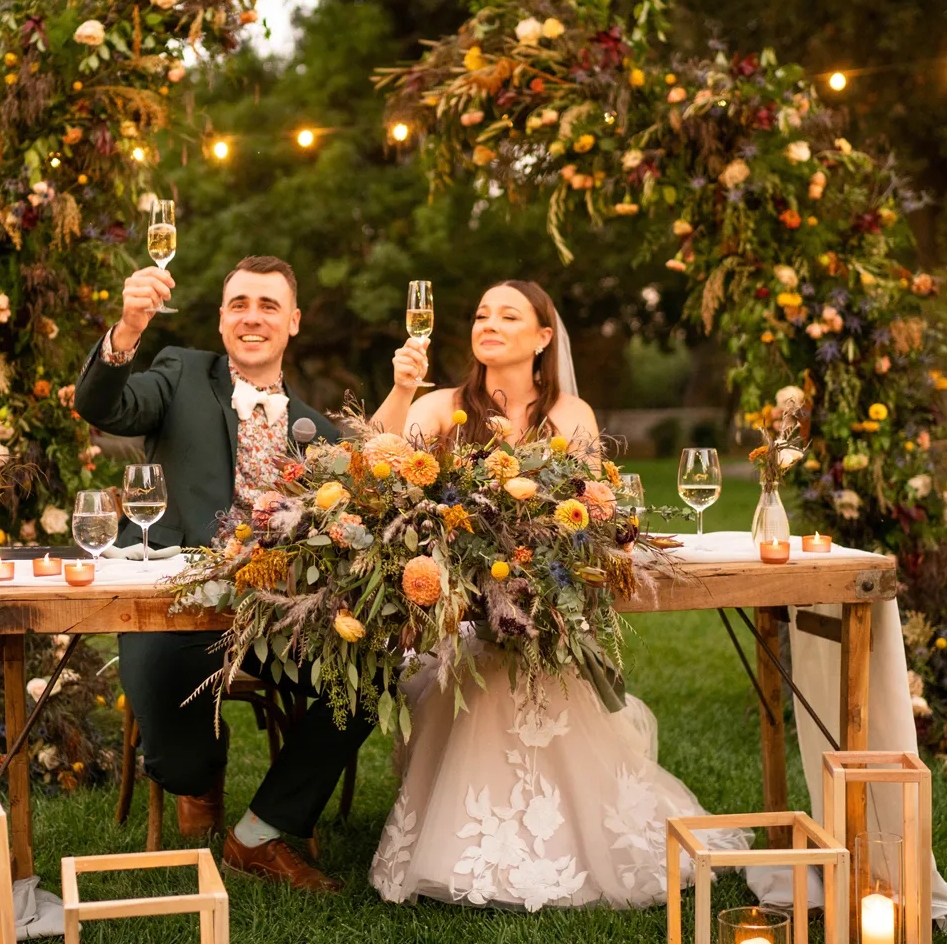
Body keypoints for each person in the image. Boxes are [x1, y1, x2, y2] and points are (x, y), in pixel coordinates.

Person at [367, 280, 750, 910]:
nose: (489, 323)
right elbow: (374, 465)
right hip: (463, 612)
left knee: (533, 663)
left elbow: (598, 514)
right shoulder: (439, 406)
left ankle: (570, 841)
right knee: (482, 665)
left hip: (543, 604)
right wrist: (403, 386)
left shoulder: (571, 416)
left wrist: (547, 579)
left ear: (543, 338)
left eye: (508, 315)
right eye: (482, 313)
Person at [74, 256, 368, 892]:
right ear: (221, 318)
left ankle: (259, 832)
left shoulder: (315, 428)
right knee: (177, 758)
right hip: (175, 605)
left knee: (370, 673)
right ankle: (198, 771)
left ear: (292, 322)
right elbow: (102, 406)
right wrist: (127, 329)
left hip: (279, 613)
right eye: (239, 303)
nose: (252, 316)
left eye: (268, 305)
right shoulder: (180, 372)